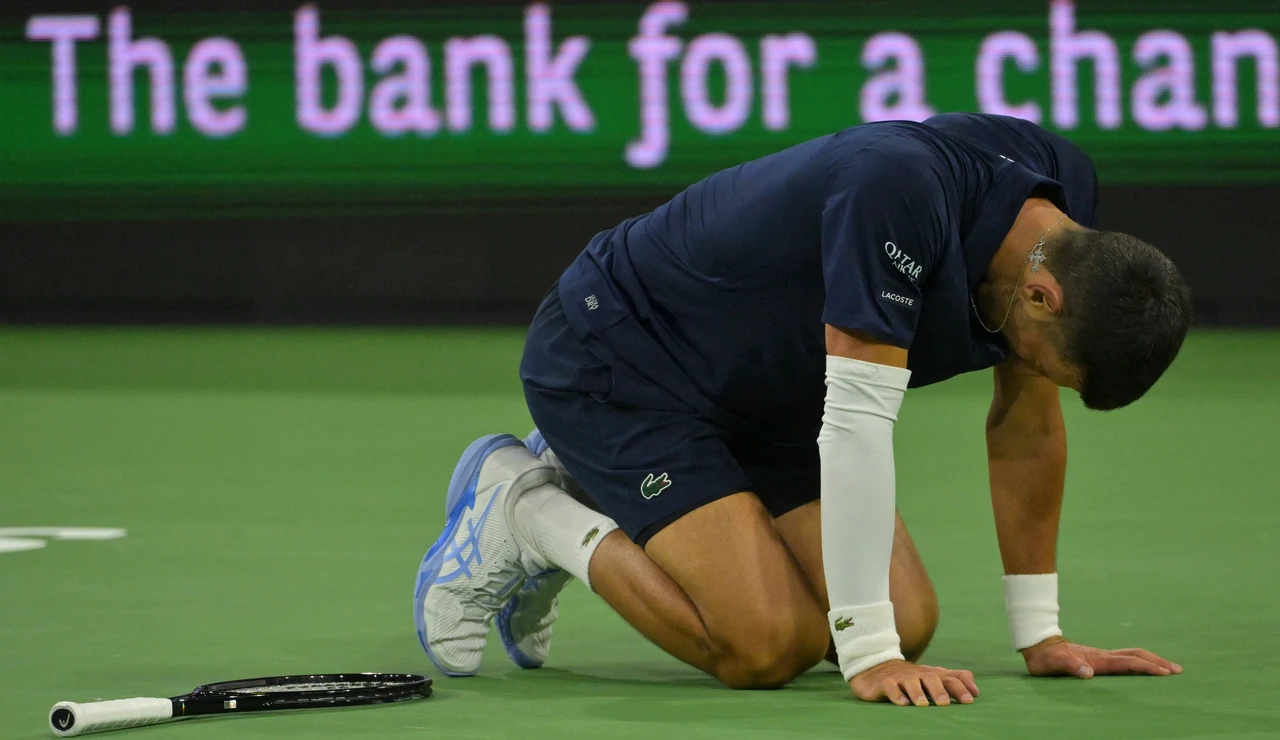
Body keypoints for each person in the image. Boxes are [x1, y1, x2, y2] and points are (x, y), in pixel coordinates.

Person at [412, 113, 1191, 706]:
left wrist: (1041, 633)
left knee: (907, 619)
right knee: (764, 646)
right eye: (1038, 361)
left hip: (767, 390)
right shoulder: (898, 190)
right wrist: (868, 652)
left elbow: (1026, 429)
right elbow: (853, 423)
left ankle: (595, 483)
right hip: (622, 355)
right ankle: (525, 506)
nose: (1026, 374)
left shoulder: (1065, 222)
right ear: (1041, 293)